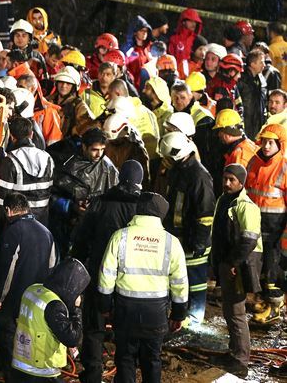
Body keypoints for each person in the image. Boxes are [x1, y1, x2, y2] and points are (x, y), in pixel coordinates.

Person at [97, 193, 188, 383]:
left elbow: (106, 276)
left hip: (125, 310)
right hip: (156, 312)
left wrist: (105, 307)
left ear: (138, 210)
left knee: (124, 358)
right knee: (152, 359)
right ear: (161, 214)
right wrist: (178, 314)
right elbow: (180, 282)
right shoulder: (172, 242)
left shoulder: (120, 236)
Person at [69, 161, 144, 383]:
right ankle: (125, 375)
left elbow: (82, 239)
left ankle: (92, 373)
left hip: (99, 273)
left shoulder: (101, 202)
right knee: (126, 331)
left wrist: (77, 267)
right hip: (130, 278)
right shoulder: (144, 207)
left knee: (94, 326)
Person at [0, 192, 57, 381]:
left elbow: (7, 268)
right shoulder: (46, 232)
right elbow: (52, 266)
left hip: (14, 299)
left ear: (8, 210)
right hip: (37, 300)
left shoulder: (13, 230)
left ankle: (12, 376)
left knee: (6, 335)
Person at [210, 164, 263, 377]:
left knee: (236, 311)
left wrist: (233, 263)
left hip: (238, 265)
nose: (226, 182)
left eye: (232, 179)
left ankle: (240, 360)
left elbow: (249, 239)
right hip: (228, 262)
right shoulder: (225, 200)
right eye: (225, 178)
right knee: (230, 310)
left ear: (241, 182)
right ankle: (234, 352)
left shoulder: (245, 206)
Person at [159, 131, 215, 325]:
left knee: (196, 282)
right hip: (179, 237)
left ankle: (195, 318)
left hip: (193, 240)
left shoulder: (199, 176)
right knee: (178, 278)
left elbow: (205, 213)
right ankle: (181, 317)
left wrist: (199, 241)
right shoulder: (179, 170)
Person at [10, 258, 89, 383]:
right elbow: (72, 338)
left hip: (20, 361)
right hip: (40, 369)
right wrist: (76, 309)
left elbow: (16, 314)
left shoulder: (33, 289)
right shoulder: (54, 305)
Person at [49, 128, 119, 254]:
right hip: (63, 225)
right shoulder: (65, 162)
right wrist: (70, 206)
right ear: (84, 146)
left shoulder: (108, 167)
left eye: (102, 150)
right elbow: (49, 194)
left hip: (91, 227)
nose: (99, 154)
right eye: (95, 150)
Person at [245, 123, 287, 324]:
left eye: (271, 142)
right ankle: (264, 301)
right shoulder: (253, 162)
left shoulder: (284, 167)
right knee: (259, 266)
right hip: (255, 225)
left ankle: (275, 309)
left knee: (273, 269)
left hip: (276, 228)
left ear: (280, 144)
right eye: (264, 142)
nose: (267, 146)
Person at [0, 117, 55, 223]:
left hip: (18, 222)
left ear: (12, 137)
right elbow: (50, 189)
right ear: (31, 134)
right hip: (42, 220)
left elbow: (1, 195)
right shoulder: (48, 158)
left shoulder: (10, 160)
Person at [213, 109, 259, 197]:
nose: (218, 135)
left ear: (227, 132)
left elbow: (234, 186)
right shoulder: (248, 145)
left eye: (220, 131)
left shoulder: (238, 154)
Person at [48, 67, 95, 140]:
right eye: (61, 82)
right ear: (56, 83)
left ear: (74, 86)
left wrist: (74, 133)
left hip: (65, 146)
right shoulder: (47, 100)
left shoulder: (79, 105)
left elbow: (89, 124)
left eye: (68, 83)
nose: (64, 86)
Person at [239, 49, 269, 139]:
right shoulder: (242, 80)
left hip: (257, 123)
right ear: (252, 64)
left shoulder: (259, 79)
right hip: (247, 124)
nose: (264, 65)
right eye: (261, 62)